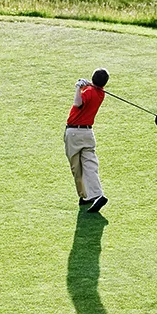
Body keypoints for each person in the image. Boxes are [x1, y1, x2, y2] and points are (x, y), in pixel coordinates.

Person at [65, 69, 109, 215]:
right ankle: (96, 194)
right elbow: (90, 93)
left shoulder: (89, 91)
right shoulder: (100, 93)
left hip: (74, 133)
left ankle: (85, 196)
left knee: (76, 167)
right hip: (88, 133)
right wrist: (85, 86)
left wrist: (78, 86)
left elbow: (78, 103)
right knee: (90, 165)